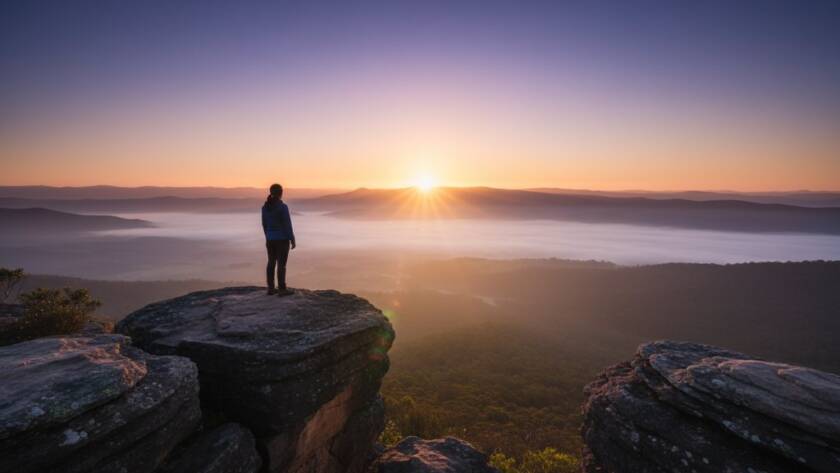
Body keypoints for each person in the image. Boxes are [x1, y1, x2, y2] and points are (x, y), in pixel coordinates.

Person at [262, 183, 296, 296]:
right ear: (281, 193)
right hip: (282, 239)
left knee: (271, 262)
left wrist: (268, 237)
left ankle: (270, 288)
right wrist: (292, 238)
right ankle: (282, 289)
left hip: (270, 239)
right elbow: (287, 224)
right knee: (282, 264)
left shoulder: (265, 208)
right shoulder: (282, 207)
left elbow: (264, 224)